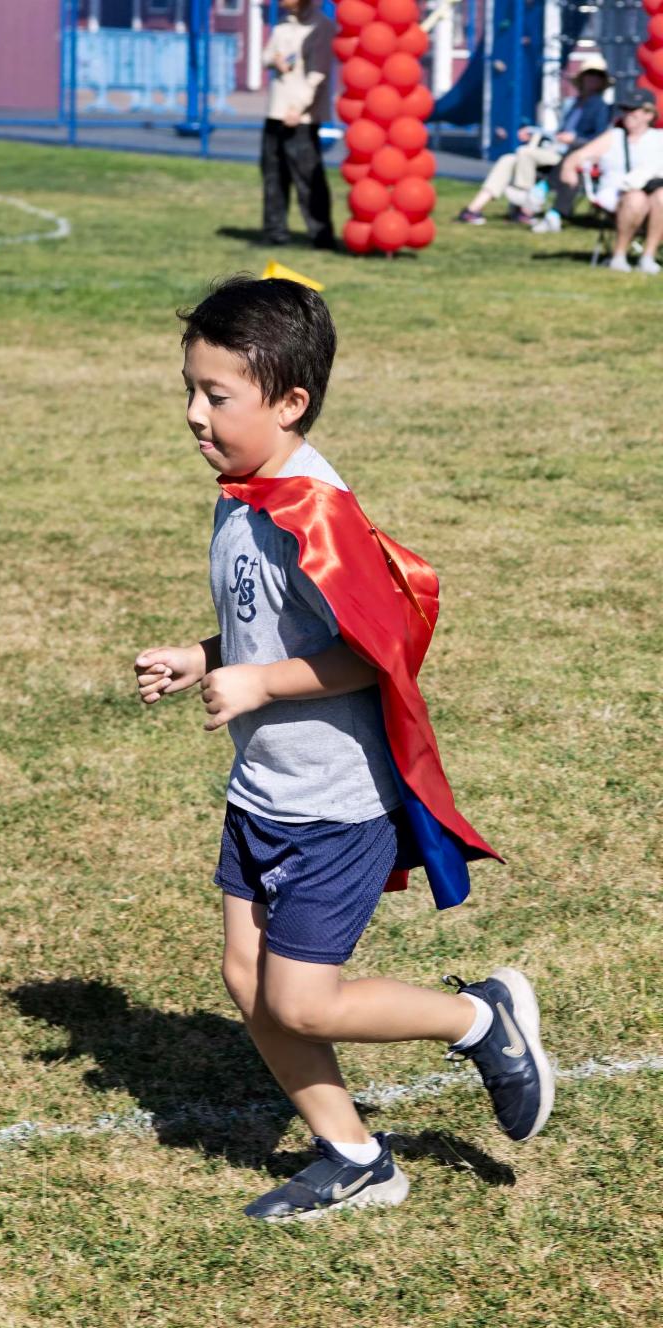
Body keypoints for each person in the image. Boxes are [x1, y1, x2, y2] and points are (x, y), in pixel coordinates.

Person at [133, 276, 552, 1222]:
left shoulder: (313, 514)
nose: (194, 414)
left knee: (304, 1002)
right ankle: (357, 1158)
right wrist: (203, 656)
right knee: (248, 982)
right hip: (263, 791)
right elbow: (268, 630)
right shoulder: (242, 496)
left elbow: (373, 652)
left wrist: (258, 684)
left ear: (290, 403)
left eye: (216, 396)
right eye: (189, 390)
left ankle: (479, 1017)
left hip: (334, 807)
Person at [457, 56, 613, 225]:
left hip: (571, 155)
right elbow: (557, 132)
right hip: (554, 148)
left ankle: (523, 207)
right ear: (582, 78)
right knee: (507, 160)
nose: (592, 79)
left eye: (597, 75)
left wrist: (573, 140)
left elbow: (599, 140)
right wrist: (534, 132)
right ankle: (473, 209)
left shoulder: (601, 107)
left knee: (525, 153)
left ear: (602, 81)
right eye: (589, 74)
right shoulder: (573, 104)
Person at [558, 93, 663, 274]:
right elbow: (578, 156)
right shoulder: (614, 136)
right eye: (625, 109)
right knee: (636, 199)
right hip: (615, 191)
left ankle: (648, 256)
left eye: (633, 110)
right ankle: (619, 255)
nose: (628, 114)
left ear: (649, 114)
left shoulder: (658, 138)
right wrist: (568, 169)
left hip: (652, 190)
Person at [259, 0, 335, 250]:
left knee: (308, 179)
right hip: (276, 112)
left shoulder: (321, 26)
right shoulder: (282, 24)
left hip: (301, 117)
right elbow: (265, 55)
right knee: (273, 175)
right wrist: (275, 59)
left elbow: (318, 74)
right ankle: (275, 233)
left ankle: (321, 236)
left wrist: (299, 107)